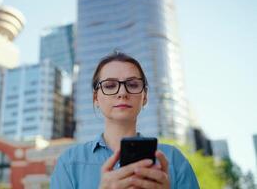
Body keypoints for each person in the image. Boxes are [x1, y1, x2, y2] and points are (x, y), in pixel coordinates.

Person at [50, 52, 199, 189]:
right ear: (96, 97)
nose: (122, 92)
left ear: (144, 96)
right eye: (110, 85)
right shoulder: (69, 163)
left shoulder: (174, 160)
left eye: (133, 85)